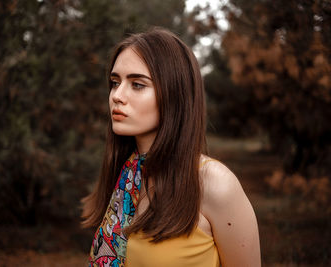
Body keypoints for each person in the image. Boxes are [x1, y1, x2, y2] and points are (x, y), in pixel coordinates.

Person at [81, 27, 261, 267]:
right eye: (115, 82)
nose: (117, 95)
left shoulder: (213, 183)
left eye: (137, 84)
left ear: (174, 93)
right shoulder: (127, 176)